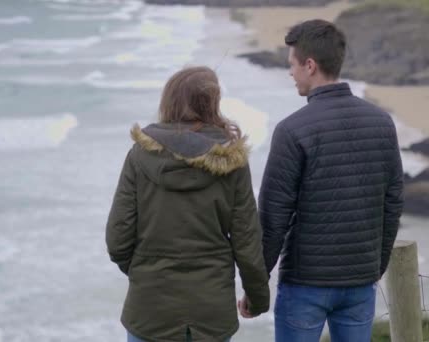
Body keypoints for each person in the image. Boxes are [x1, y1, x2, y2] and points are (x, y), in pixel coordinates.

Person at [244, 19, 404, 342]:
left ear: (310, 66)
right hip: (360, 282)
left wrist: (256, 287)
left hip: (305, 284)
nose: (290, 73)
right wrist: (376, 266)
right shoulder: (382, 123)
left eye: (292, 64)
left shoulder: (291, 131)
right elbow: (393, 202)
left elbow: (273, 219)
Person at [106, 66, 270, 342]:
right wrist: (257, 298)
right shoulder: (232, 162)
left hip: (149, 310)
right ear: (212, 105)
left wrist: (144, 271)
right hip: (211, 310)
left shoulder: (139, 156)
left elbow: (117, 238)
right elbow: (247, 242)